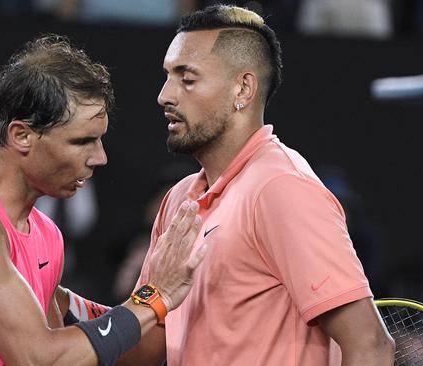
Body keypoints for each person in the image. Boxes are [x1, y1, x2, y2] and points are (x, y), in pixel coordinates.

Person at [0, 34, 207, 365]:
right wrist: (153, 298)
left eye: (99, 140)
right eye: (82, 141)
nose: (99, 158)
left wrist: (190, 294)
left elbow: (97, 353)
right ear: (22, 135)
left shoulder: (45, 234)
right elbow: (40, 359)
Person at [136, 5, 396, 365]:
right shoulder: (179, 199)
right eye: (167, 76)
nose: (165, 95)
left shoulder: (282, 189)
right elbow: (145, 344)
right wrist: (68, 311)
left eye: (187, 78)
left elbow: (370, 345)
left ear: (243, 88)